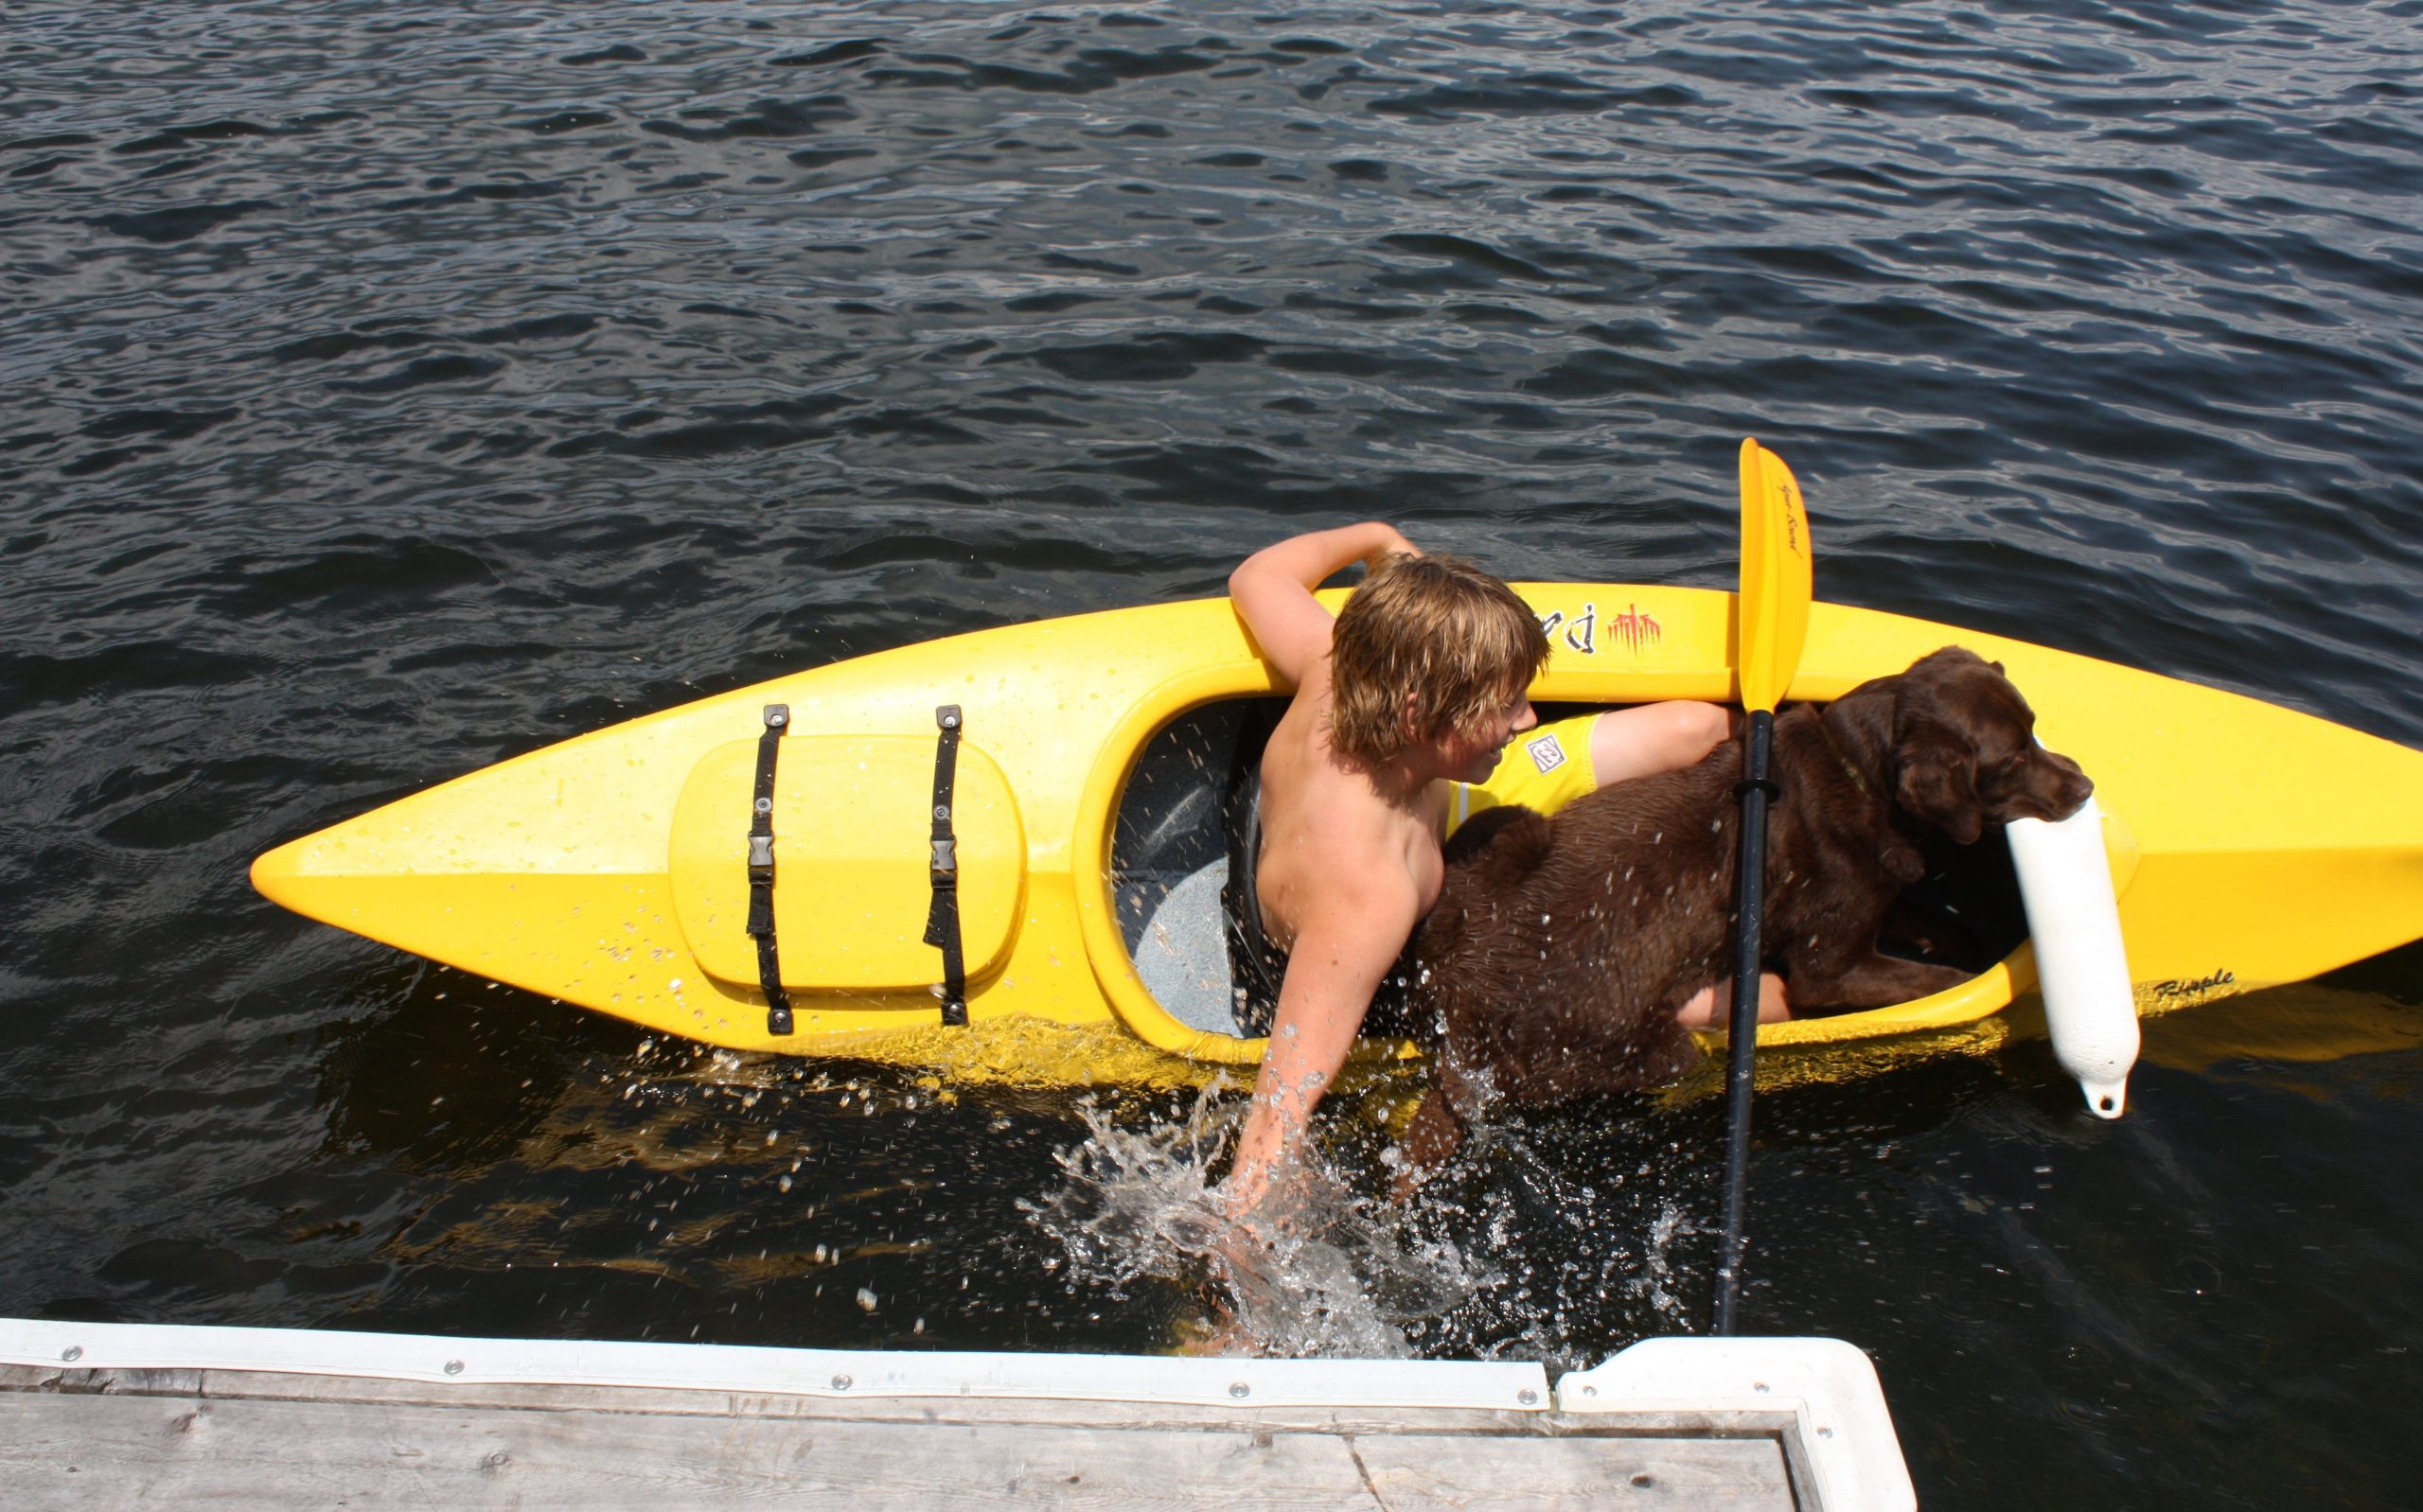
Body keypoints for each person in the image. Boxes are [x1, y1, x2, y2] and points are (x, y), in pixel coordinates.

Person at [1221, 523, 1783, 1222]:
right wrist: (1235, 1264)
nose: (1529, 717)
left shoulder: (1343, 666)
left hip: (1448, 790)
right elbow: (1278, 1114)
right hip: (1433, 939)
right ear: (1420, 711)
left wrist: (1383, 542)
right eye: (1505, 704)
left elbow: (1257, 577)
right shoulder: (1368, 896)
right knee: (1727, 999)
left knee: (1701, 732)